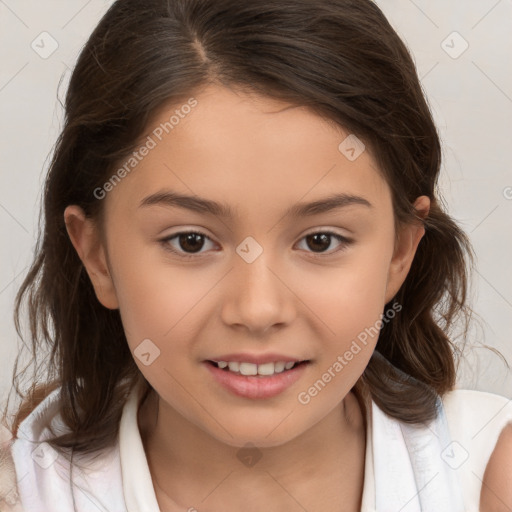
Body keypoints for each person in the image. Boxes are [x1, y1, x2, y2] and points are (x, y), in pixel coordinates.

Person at [1, 0, 511, 511]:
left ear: (400, 252)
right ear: (98, 257)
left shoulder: (487, 476)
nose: (257, 309)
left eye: (320, 241)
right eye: (191, 241)